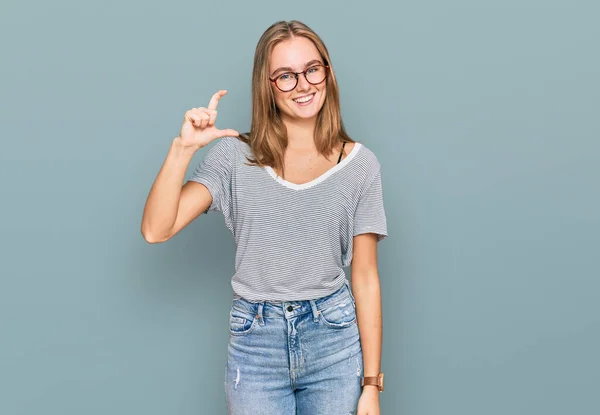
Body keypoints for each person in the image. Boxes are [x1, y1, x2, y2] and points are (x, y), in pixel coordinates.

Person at [141, 20, 388, 415]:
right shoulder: (233, 157)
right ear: (267, 86)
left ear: (327, 71)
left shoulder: (361, 165)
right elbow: (156, 229)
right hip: (256, 345)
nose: (304, 85)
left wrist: (372, 386)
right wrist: (182, 149)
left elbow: (365, 276)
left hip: (334, 341)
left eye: (312, 69)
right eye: (285, 77)